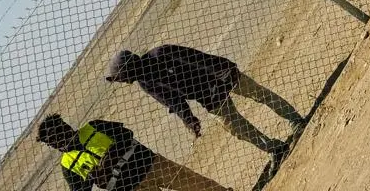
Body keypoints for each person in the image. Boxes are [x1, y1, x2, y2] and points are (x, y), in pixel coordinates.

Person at [106, 46, 301, 158]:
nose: (122, 81)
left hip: (221, 74)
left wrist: (223, 74)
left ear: (127, 70)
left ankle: (295, 121)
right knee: (236, 127)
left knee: (261, 95)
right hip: (207, 95)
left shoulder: (160, 54)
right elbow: (173, 100)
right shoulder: (145, 82)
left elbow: (197, 59)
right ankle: (275, 149)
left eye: (120, 77)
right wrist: (190, 120)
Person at [37, 114, 229, 191]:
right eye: (53, 141)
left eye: (61, 130)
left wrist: (108, 160)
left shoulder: (93, 127)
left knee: (199, 185)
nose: (58, 141)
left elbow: (126, 134)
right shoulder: (68, 165)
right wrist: (93, 177)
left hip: (150, 164)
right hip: (128, 189)